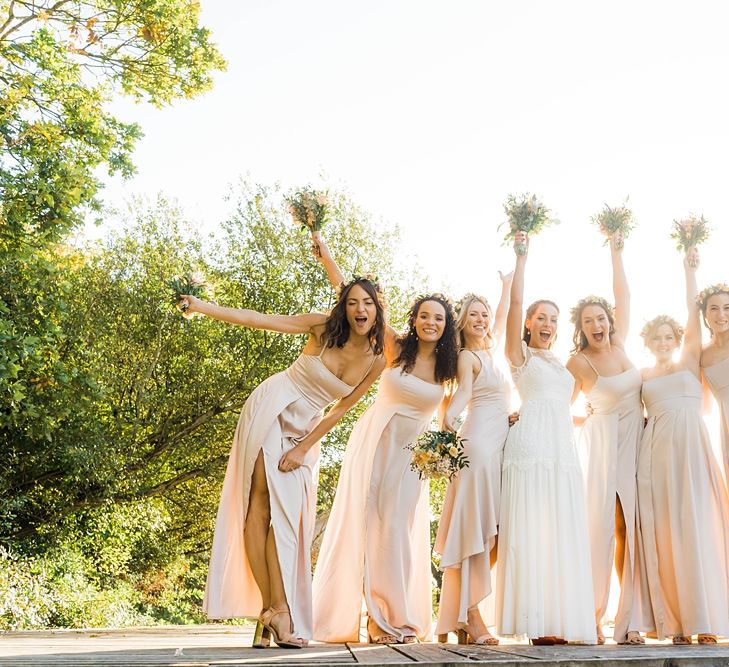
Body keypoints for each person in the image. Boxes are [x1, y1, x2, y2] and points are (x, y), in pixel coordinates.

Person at [188, 279, 387, 648]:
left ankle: (271, 614)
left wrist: (304, 448)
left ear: (378, 309)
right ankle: (277, 608)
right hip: (274, 406)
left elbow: (340, 410)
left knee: (289, 517)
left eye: (368, 304)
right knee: (261, 505)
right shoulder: (322, 328)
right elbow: (259, 319)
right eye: (353, 303)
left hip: (306, 429)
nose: (360, 310)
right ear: (344, 307)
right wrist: (203, 307)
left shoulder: (377, 360)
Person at [309, 231, 458, 644]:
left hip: (414, 456)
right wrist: (327, 258)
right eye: (425, 315)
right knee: (369, 522)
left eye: (439, 318)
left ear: (447, 328)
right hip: (376, 441)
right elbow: (357, 298)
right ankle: (372, 619)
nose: (431, 322)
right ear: (414, 319)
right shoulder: (395, 346)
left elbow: (452, 416)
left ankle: (390, 615)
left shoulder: (449, 368)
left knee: (396, 528)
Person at [495, 231, 596, 645]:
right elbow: (516, 303)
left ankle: (557, 620)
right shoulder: (521, 356)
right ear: (529, 324)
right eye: (541, 318)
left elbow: (559, 406)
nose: (548, 324)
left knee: (560, 531)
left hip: (561, 452)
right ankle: (534, 624)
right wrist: (522, 258)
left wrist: (581, 420)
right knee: (531, 532)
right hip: (530, 451)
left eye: (554, 320)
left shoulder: (562, 363)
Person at [634, 248, 729, 644]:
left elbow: (694, 315)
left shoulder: (693, 359)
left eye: (668, 336)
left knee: (700, 528)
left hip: (692, 450)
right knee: (667, 535)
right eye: (655, 337)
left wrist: (689, 270)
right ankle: (674, 623)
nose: (662, 341)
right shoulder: (640, 375)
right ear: (648, 342)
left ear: (678, 339)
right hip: (656, 456)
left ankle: (705, 620)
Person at [565, 232, 643, 645]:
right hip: (601, 446)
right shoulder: (578, 362)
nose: (597, 325)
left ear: (610, 321)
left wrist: (616, 253)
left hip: (636, 445)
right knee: (602, 528)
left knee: (631, 528)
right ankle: (591, 616)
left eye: (602, 318)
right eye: (588, 321)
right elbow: (560, 405)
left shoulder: (624, 345)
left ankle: (627, 619)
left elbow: (624, 295)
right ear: (580, 328)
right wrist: (585, 422)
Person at [434, 277, 512, 646]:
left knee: (493, 531)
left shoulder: (491, 353)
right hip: (477, 447)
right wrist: (447, 424)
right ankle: (472, 616)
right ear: (462, 322)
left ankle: (463, 610)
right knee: (479, 532)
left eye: (484, 314)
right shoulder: (467, 356)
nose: (481, 319)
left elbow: (504, 313)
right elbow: (463, 393)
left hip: (498, 444)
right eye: (473, 315)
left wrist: (510, 280)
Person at [699, 283, 729, 480]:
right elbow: (704, 405)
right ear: (705, 316)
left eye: (727, 308)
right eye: (714, 308)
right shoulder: (702, 356)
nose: (721, 315)